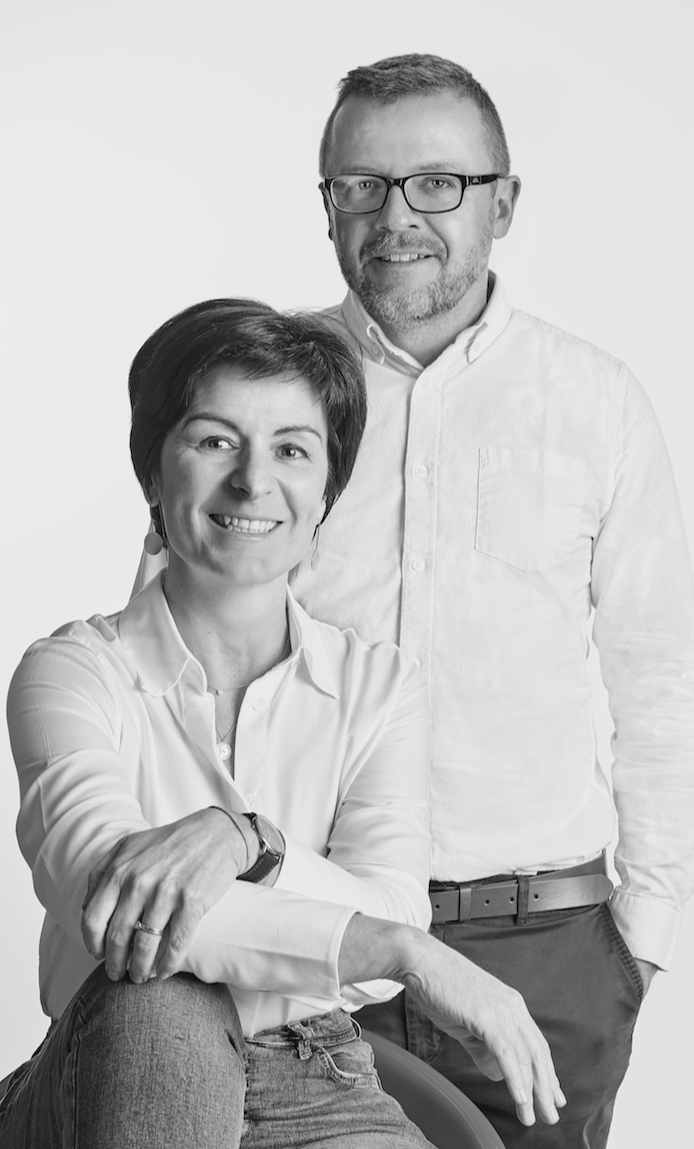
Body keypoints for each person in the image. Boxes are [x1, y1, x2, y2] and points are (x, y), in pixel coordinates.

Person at [2, 298, 564, 1147]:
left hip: (317, 1069)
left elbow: (388, 898)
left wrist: (251, 842)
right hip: (117, 1051)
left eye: (292, 449)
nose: (253, 480)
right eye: (214, 440)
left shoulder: (380, 685)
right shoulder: (73, 673)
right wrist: (406, 950)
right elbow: (122, 907)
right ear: (152, 473)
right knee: (159, 995)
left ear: (326, 492)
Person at [287, 53, 694, 1149]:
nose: (396, 217)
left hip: (545, 953)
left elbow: (660, 680)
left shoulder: (595, 402)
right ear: (327, 204)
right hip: (310, 949)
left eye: (437, 183)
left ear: (502, 203)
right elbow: (178, 651)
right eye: (361, 185)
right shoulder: (267, 389)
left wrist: (639, 943)